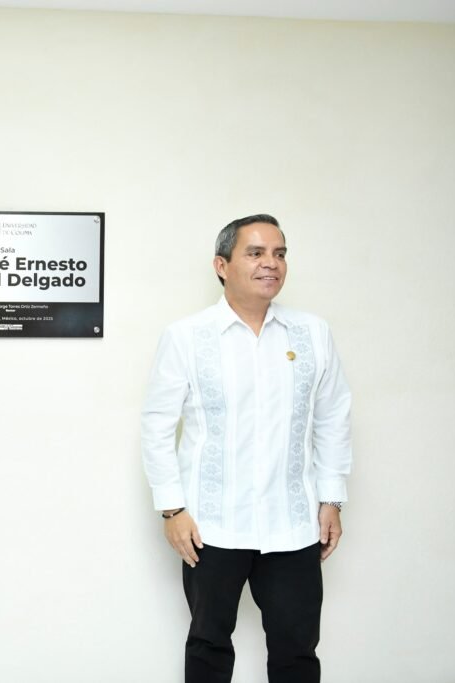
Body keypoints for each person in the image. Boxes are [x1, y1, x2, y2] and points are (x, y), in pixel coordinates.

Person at [141, 214, 352, 683]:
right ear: (222, 265)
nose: (270, 263)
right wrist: (172, 509)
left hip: (292, 524)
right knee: (208, 645)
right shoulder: (187, 336)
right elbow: (157, 425)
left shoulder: (312, 333)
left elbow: (333, 417)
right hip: (211, 524)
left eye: (279, 254)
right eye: (255, 253)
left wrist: (332, 499)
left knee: (297, 650)